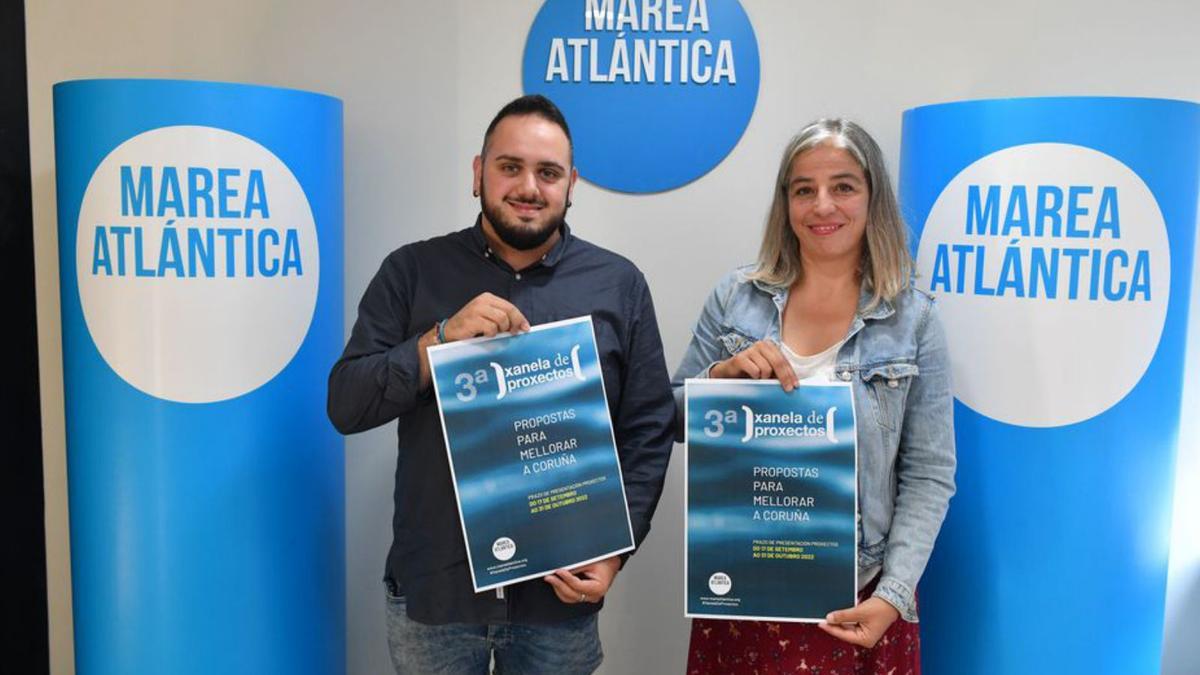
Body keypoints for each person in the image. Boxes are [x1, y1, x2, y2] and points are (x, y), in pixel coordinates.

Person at [328, 94, 675, 675]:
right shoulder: (411, 271)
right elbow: (346, 403)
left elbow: (649, 428)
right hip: (435, 597)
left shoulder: (618, 284)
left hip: (555, 603)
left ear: (571, 184)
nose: (529, 187)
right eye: (510, 166)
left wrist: (618, 548)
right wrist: (436, 341)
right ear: (478, 173)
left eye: (548, 172)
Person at [673, 119, 956, 674]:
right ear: (786, 203)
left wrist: (892, 595)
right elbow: (674, 415)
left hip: (858, 595)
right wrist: (721, 381)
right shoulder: (735, 299)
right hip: (742, 588)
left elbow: (929, 474)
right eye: (804, 189)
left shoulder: (914, 319)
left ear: (872, 198)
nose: (822, 205)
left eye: (843, 186)